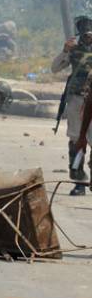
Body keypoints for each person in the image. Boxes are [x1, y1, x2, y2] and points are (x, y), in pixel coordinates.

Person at [52, 16, 92, 196]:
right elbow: (55, 68)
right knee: (76, 141)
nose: (88, 36)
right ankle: (79, 181)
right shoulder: (74, 51)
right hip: (77, 100)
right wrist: (64, 51)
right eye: (85, 33)